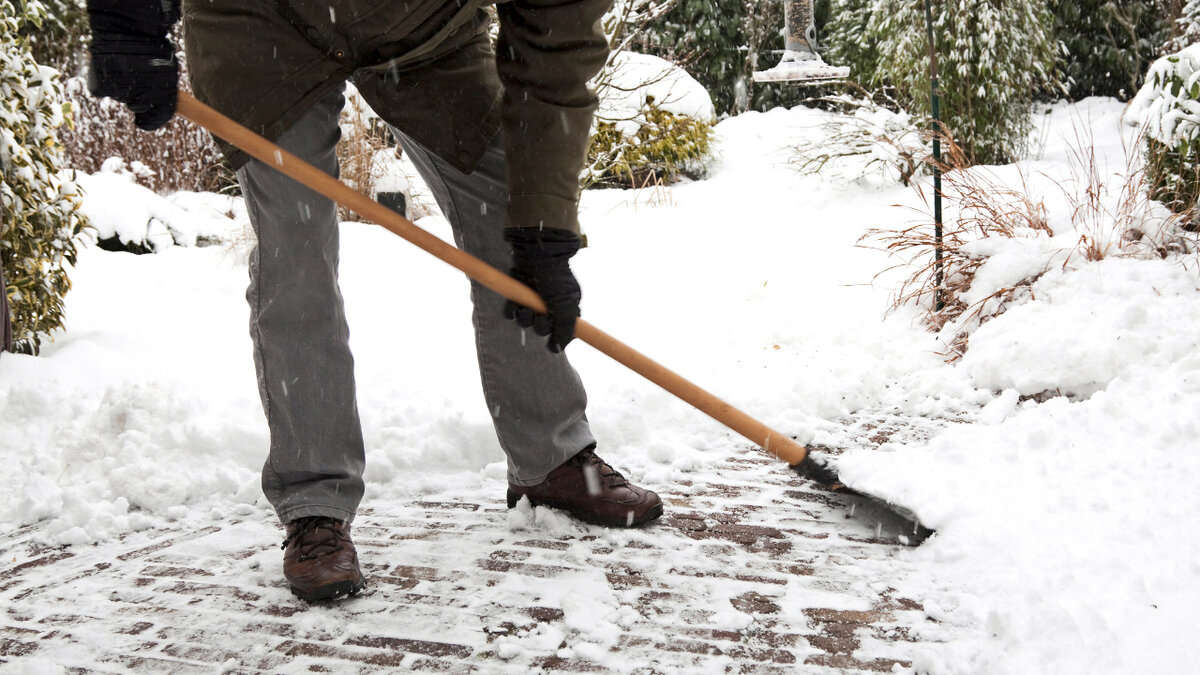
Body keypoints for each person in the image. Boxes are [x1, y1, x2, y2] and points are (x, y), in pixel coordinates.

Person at [86, 0, 663, 602]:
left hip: (424, 26)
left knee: (511, 213)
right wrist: (127, 22)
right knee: (296, 251)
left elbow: (556, 45)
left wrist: (544, 222)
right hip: (260, 22)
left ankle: (552, 459)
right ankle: (315, 505)